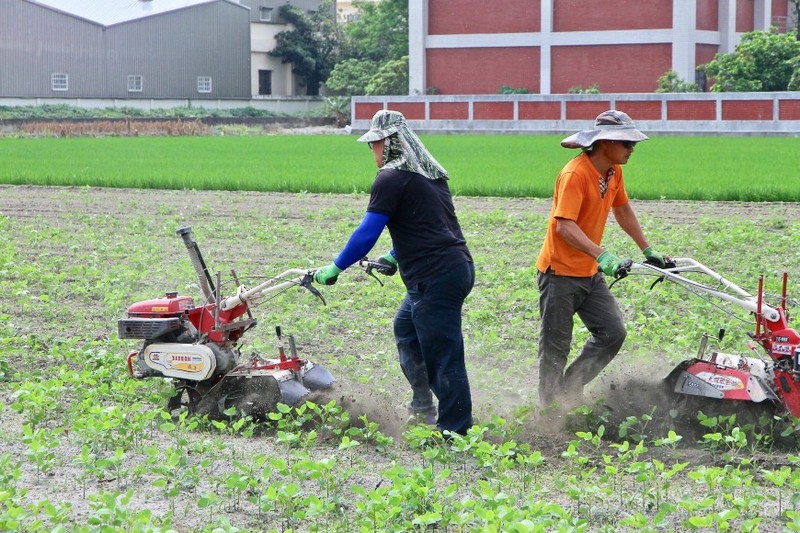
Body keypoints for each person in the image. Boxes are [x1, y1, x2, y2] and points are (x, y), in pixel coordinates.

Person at [313, 109, 475, 435]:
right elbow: (429, 227)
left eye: (374, 143)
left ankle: (456, 429)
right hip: (451, 268)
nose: (371, 150)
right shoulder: (430, 174)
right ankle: (423, 406)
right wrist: (393, 255)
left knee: (444, 354)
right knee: (406, 331)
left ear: (389, 143)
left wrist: (336, 266)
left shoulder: (391, 177)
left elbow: (367, 231)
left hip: (435, 275)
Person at [535, 109, 669, 409]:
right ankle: (549, 412)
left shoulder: (613, 172)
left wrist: (647, 249)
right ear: (605, 142)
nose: (632, 149)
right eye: (626, 143)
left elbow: (622, 209)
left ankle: (570, 387)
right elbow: (564, 226)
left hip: (589, 272)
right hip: (559, 274)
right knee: (555, 348)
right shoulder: (575, 174)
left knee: (613, 332)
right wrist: (603, 254)